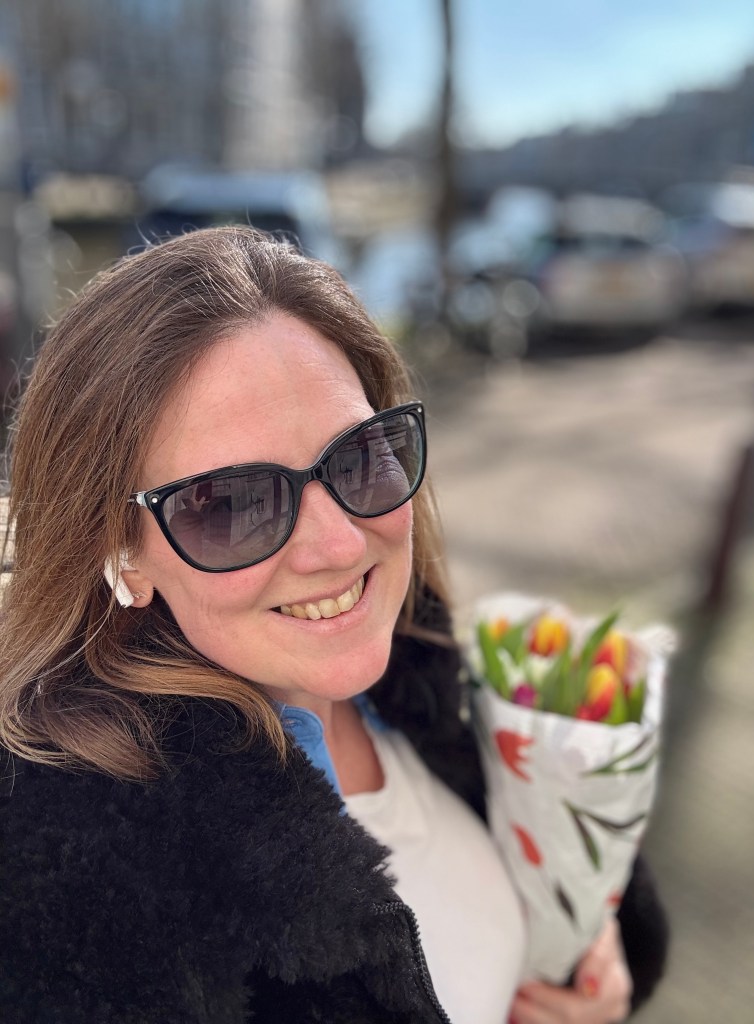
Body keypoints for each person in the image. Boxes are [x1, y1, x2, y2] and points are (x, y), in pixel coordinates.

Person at [0, 226, 668, 1023]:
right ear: (118, 550)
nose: (341, 545)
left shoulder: (433, 681)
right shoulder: (73, 880)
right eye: (231, 504)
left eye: (357, 457)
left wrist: (594, 973)